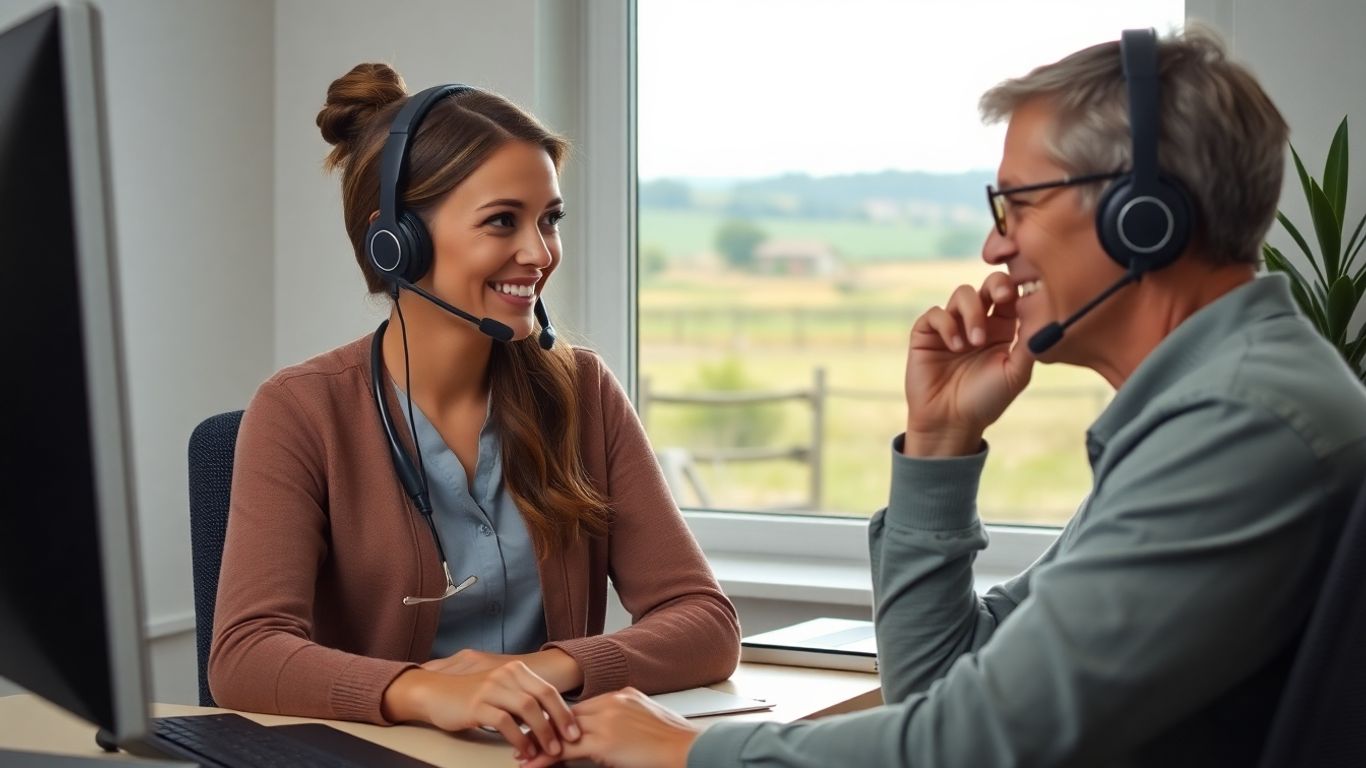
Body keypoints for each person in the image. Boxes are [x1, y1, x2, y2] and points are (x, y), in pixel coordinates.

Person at [519, 26, 1366, 768]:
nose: (994, 244)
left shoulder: (1241, 423)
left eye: (1017, 204)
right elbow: (940, 683)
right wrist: (940, 439)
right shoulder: (1224, 403)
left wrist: (689, 751)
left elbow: (966, 746)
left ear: (1143, 216)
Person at [208, 63, 740, 763]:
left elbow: (705, 624)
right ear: (394, 241)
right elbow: (244, 655)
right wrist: (424, 689)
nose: (539, 253)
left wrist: (544, 672)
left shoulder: (583, 393)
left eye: (549, 220)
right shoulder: (301, 411)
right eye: (502, 222)